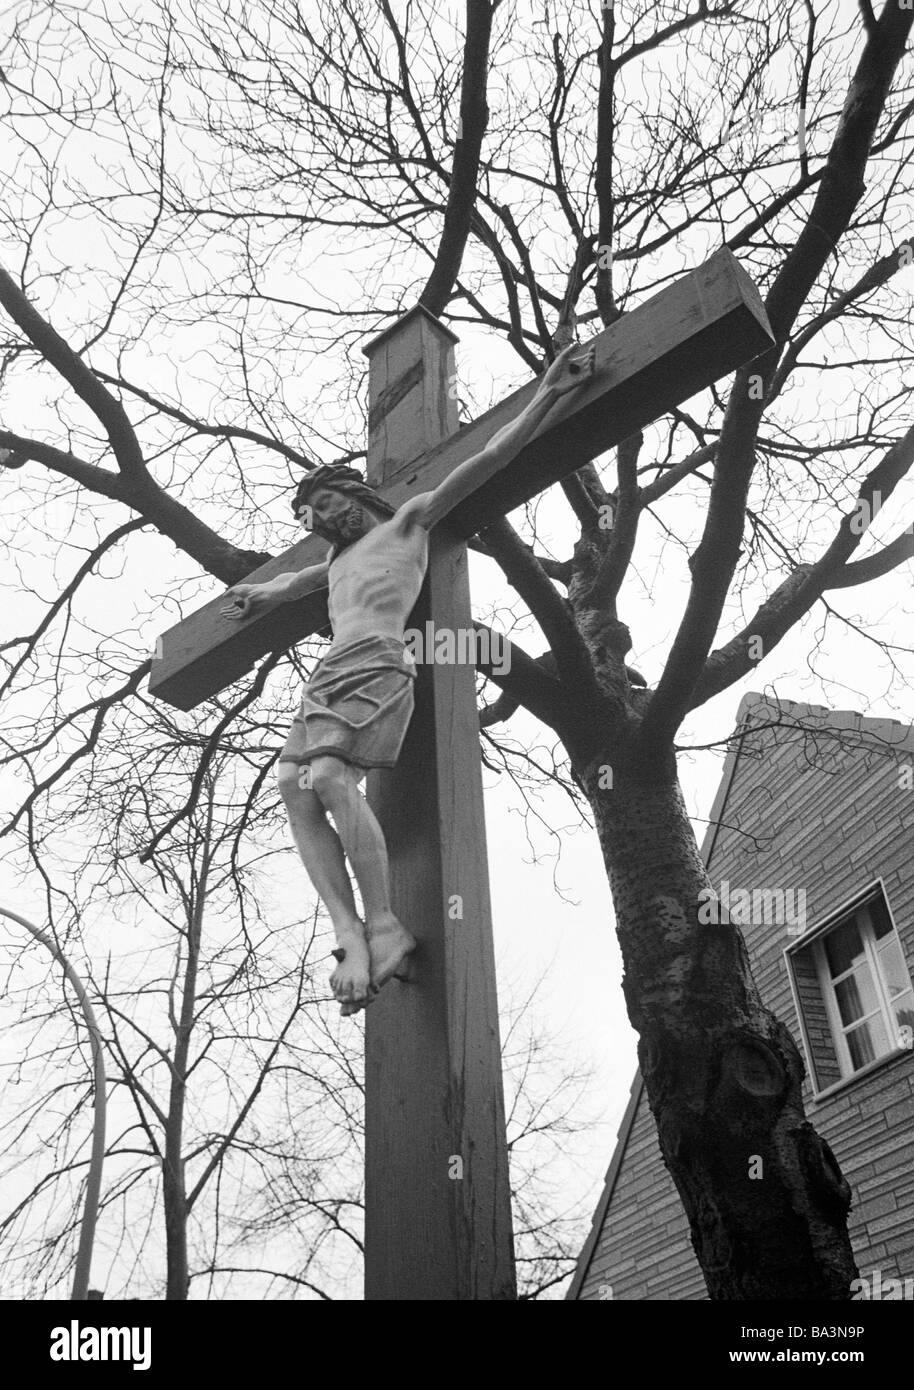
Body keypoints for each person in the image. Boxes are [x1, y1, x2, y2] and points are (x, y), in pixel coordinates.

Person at [220, 342, 595, 1014]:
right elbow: (292, 581)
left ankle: (386, 925)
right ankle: (348, 933)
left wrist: (550, 394)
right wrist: (259, 596)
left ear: (354, 495)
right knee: (294, 787)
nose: (323, 520)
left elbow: (490, 459)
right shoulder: (332, 565)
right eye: (312, 518)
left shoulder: (407, 522)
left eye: (329, 504)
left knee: (332, 777)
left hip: (379, 659)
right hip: (330, 672)